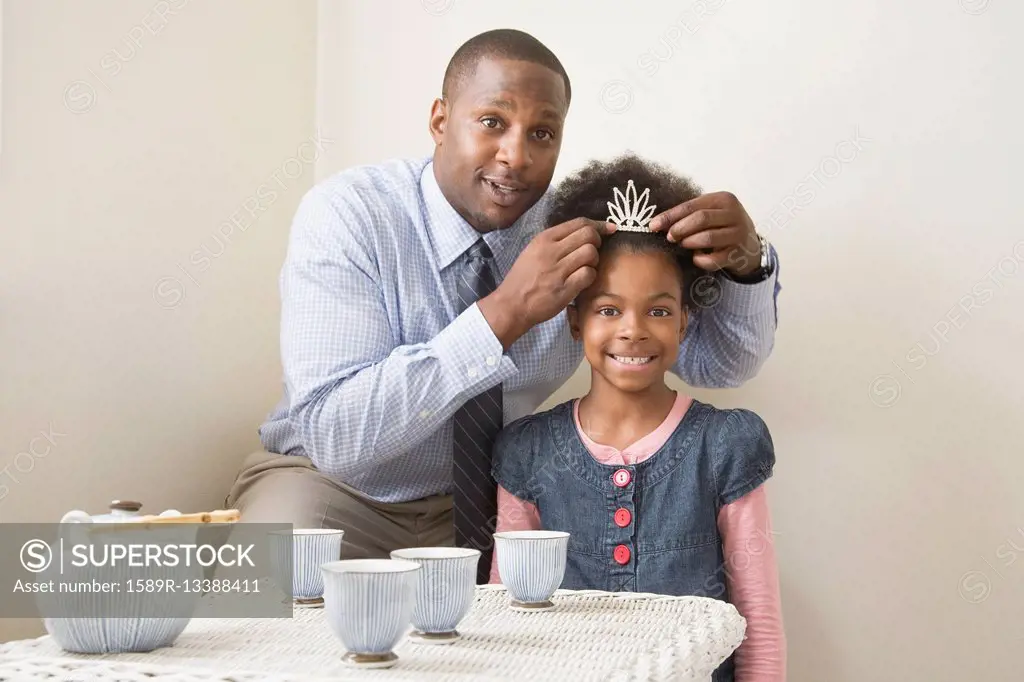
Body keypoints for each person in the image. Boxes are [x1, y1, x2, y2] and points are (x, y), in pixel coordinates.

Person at [224, 29, 782, 585]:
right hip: (331, 490)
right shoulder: (350, 216)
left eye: (543, 132)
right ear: (441, 121)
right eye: (493, 121)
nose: (516, 156)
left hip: (494, 504)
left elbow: (719, 365)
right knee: (247, 606)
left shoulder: (576, 230)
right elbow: (337, 439)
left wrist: (747, 261)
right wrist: (504, 314)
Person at [488, 154, 785, 682]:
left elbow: (757, 620)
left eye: (659, 310)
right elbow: (505, 617)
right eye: (608, 309)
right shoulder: (526, 453)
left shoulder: (725, 446)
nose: (633, 330)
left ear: (685, 322)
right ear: (574, 320)